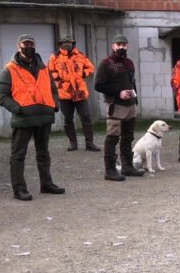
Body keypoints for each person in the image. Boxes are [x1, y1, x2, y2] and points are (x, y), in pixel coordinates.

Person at [0, 34, 65, 200]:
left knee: (43, 153)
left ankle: (46, 184)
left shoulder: (43, 67)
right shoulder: (9, 69)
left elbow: (52, 89)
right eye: (25, 44)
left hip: (44, 117)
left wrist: (54, 104)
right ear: (18, 47)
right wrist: (18, 109)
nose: (29, 47)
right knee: (18, 155)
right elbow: (1, 95)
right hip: (23, 119)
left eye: (31, 44)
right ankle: (19, 189)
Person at [94, 34, 143, 181]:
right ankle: (110, 170)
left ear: (127, 46)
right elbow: (99, 85)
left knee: (128, 137)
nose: (121, 47)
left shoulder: (129, 63)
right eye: (118, 44)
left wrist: (134, 96)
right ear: (113, 46)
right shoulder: (106, 63)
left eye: (124, 45)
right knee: (112, 138)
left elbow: (131, 82)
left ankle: (127, 166)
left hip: (130, 105)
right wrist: (118, 92)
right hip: (116, 105)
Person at [47, 34, 99, 152]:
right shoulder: (54, 57)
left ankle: (89, 143)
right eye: (65, 42)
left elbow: (90, 68)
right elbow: (49, 72)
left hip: (80, 92)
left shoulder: (80, 55)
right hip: (64, 93)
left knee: (86, 117)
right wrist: (59, 76)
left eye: (69, 42)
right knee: (68, 119)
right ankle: (73, 143)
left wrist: (82, 74)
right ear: (60, 44)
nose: (67, 44)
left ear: (73, 44)